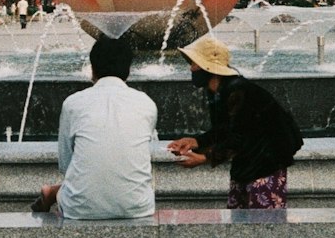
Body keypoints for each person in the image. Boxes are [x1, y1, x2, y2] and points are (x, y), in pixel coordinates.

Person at [167, 34, 303, 208]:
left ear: (208, 68)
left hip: (265, 166)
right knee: (239, 223)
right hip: (246, 165)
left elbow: (240, 136)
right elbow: (223, 129)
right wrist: (195, 142)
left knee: (265, 227)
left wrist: (204, 157)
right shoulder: (217, 91)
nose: (191, 69)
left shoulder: (238, 91)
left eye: (195, 63)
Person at [31, 34, 157, 219]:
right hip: (138, 207)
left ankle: (53, 193)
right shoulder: (146, 103)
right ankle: (53, 192)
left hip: (79, 208)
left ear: (93, 69)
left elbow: (66, 165)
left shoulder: (73, 103)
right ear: (128, 70)